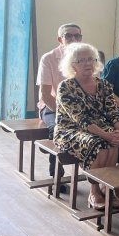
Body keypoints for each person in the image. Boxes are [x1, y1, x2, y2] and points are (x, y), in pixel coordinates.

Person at [53, 42, 119, 211]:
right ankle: (94, 192)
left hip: (99, 128)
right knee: (98, 143)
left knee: (113, 141)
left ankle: (105, 187)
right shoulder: (66, 87)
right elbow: (81, 120)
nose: (87, 63)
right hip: (69, 131)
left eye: (90, 59)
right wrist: (107, 135)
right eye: (81, 60)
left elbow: (112, 111)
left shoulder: (104, 85)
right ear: (73, 65)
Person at [36, 23, 82, 186]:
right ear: (59, 39)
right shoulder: (48, 58)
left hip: (78, 107)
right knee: (58, 128)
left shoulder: (84, 57)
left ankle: (99, 178)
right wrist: (65, 113)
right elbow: (46, 95)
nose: (74, 39)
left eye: (77, 36)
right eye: (68, 36)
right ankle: (57, 174)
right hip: (52, 106)